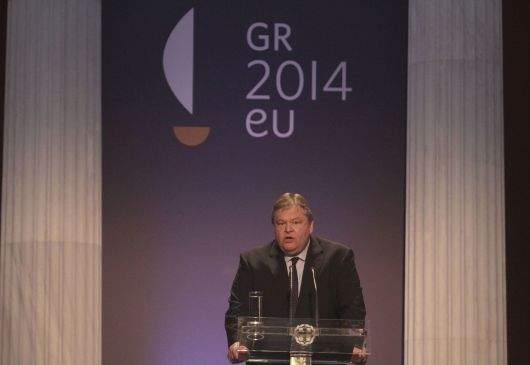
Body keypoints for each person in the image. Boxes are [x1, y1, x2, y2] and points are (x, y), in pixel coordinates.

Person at [225, 193, 367, 364]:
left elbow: (352, 308)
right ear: (274, 227)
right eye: (281, 223)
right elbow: (236, 310)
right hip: (270, 360)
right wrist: (237, 342)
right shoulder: (253, 262)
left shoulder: (338, 258)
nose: (288, 229)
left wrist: (352, 343)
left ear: (311, 226)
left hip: (323, 360)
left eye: (295, 222)